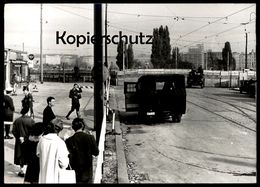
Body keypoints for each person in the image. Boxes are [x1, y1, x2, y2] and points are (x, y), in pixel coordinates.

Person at [65, 118, 99, 183]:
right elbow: (96, 152)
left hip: (75, 171)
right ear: (83, 126)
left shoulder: (68, 141)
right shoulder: (90, 137)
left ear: (73, 127)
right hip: (87, 171)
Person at [36, 118, 69, 183]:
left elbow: (38, 154)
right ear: (60, 130)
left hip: (43, 177)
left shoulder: (42, 140)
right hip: (55, 178)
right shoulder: (60, 143)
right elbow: (64, 164)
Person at [12, 107, 35, 177]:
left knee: (20, 154)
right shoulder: (31, 121)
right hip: (28, 141)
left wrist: (19, 137)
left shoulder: (17, 120)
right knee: (28, 154)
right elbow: (34, 131)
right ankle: (28, 170)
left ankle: (22, 170)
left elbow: (13, 131)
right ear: (27, 112)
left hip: (19, 141)